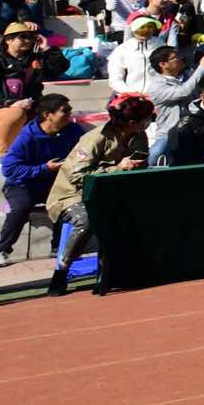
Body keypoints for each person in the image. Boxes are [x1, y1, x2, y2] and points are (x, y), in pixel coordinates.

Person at [43, 94, 151, 292]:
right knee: (88, 219)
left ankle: (125, 268)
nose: (150, 121)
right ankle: (61, 270)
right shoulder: (95, 138)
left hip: (113, 193)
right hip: (73, 194)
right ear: (132, 121)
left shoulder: (139, 136)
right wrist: (118, 168)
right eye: (147, 118)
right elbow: (78, 176)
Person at [0, 92, 82, 268]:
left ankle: (60, 247)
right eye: (65, 111)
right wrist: (44, 168)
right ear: (47, 115)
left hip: (55, 183)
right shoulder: (27, 136)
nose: (69, 114)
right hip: (23, 184)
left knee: (68, 200)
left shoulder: (73, 130)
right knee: (20, 207)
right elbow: (9, 168)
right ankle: (1, 251)